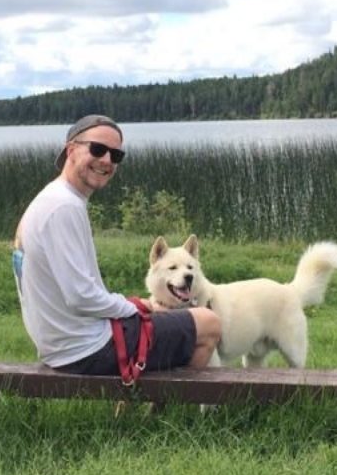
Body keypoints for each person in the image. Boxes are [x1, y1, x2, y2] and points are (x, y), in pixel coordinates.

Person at [13, 114, 221, 374]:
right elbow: (80, 297)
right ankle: (174, 408)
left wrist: (132, 306)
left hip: (61, 342)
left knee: (165, 315)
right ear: (71, 150)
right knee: (209, 323)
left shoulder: (52, 198)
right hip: (85, 348)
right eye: (98, 149)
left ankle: (151, 403)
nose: (107, 161)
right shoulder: (63, 207)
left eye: (116, 155)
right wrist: (132, 308)